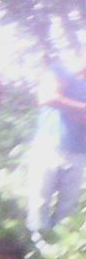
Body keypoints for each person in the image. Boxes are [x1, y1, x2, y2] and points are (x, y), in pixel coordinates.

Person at [27, 46, 86, 236]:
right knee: (39, 200)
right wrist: (80, 107)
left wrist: (63, 100)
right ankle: (36, 247)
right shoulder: (58, 70)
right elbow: (46, 97)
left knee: (68, 206)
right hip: (48, 144)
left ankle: (59, 252)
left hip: (79, 150)